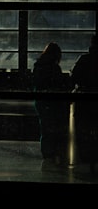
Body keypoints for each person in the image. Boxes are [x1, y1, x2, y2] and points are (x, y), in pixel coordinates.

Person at [31, 42, 72, 167]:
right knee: (55, 127)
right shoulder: (54, 68)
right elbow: (60, 84)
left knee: (45, 127)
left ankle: (47, 153)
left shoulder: (38, 66)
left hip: (41, 102)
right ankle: (55, 152)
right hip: (53, 103)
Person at [70, 35, 98, 174]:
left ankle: (87, 157)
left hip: (85, 101)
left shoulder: (84, 60)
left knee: (85, 129)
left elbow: (74, 77)